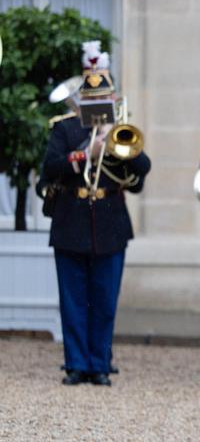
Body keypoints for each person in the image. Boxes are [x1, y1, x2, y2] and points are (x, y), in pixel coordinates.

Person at [43, 42, 151, 386]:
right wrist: (86, 152)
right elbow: (51, 169)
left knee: (104, 300)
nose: (96, 105)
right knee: (73, 299)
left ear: (112, 99)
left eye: (102, 99)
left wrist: (116, 145)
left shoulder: (120, 129)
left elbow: (141, 172)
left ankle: (100, 362)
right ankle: (77, 363)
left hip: (110, 222)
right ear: (82, 101)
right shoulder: (64, 129)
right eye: (91, 100)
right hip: (71, 219)